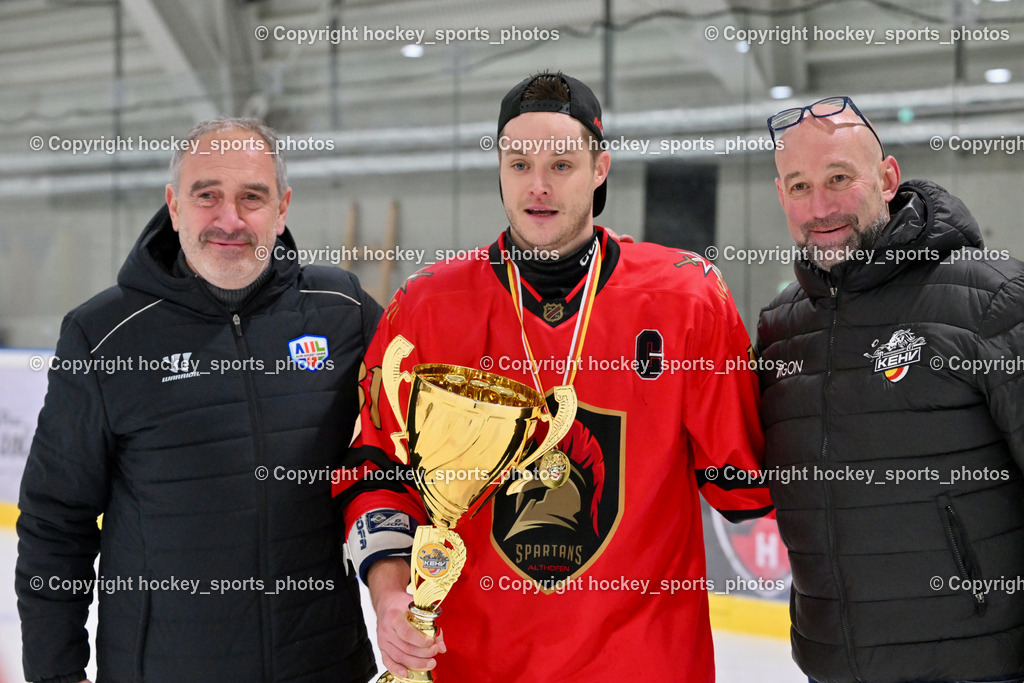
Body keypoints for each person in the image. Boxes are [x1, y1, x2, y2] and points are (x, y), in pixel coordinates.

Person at [333, 71, 773, 682]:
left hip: (643, 667)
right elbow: (374, 469)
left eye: (562, 164)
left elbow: (745, 484)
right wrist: (388, 598)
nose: (537, 186)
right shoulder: (427, 307)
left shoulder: (687, 299)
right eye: (518, 164)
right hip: (472, 666)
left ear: (600, 169)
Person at [16, 118, 381, 683]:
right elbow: (55, 524)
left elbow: (409, 447)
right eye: (206, 195)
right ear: (175, 205)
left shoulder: (342, 309)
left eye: (251, 197)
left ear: (282, 207)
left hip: (325, 663)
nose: (229, 219)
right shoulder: (104, 335)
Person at [756, 96, 1024, 683]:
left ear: (887, 178)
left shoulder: (993, 300)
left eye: (838, 178)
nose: (820, 206)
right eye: (799, 186)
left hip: (979, 666)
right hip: (832, 666)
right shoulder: (780, 329)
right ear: (781, 198)